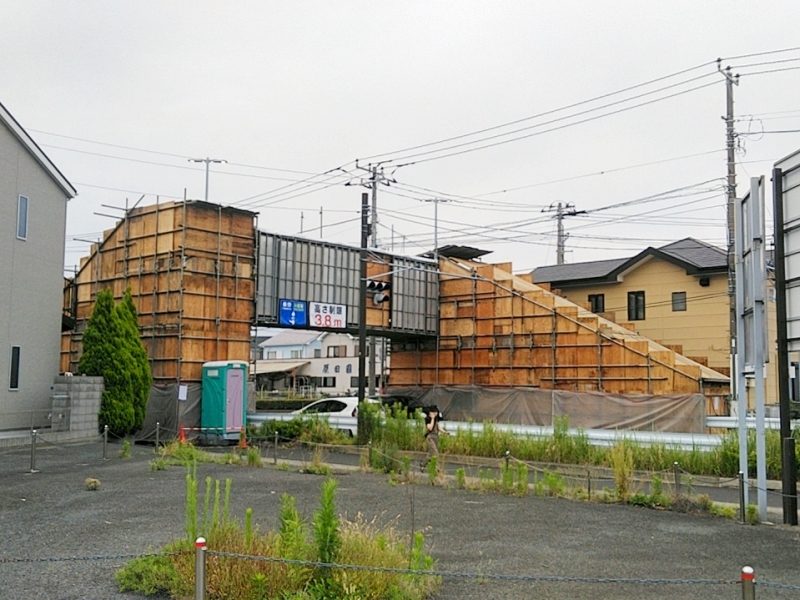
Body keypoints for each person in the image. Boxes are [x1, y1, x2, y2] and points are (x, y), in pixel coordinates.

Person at [423, 406, 449, 471]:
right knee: (435, 452)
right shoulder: (428, 419)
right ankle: (438, 468)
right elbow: (430, 428)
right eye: (434, 412)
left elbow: (438, 427)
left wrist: (445, 432)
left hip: (436, 437)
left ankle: (423, 464)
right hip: (430, 437)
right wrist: (432, 418)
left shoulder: (436, 420)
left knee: (430, 453)